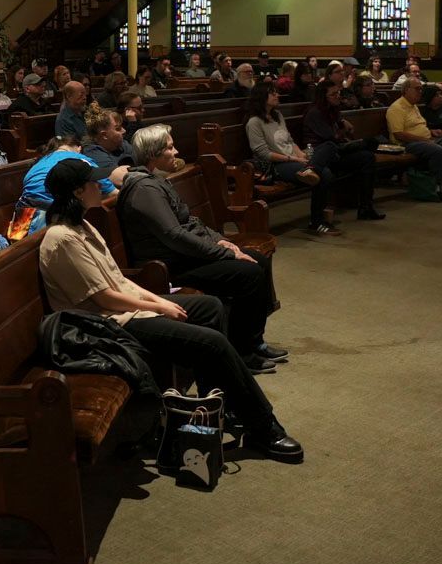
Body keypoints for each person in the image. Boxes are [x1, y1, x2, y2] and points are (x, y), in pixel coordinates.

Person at [35, 159, 302, 462]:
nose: (101, 186)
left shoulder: (82, 225)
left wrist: (158, 300)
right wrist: (158, 305)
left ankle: (214, 406)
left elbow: (119, 280)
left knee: (209, 307)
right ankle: (265, 428)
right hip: (106, 326)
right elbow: (105, 298)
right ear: (78, 191)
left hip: (125, 309)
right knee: (211, 343)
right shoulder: (62, 238)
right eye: (94, 183)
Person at [119, 125, 289, 373]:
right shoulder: (144, 189)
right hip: (169, 268)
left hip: (183, 257)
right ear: (153, 154)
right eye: (169, 147)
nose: (176, 151)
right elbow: (174, 235)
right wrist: (225, 253)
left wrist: (221, 240)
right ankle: (241, 353)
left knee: (257, 260)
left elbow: (190, 223)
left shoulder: (155, 180)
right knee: (248, 273)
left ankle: (254, 342)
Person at [244, 86, 339, 234]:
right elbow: (262, 153)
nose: (277, 95)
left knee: (329, 145)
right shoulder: (254, 122)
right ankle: (316, 222)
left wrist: (301, 154)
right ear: (261, 97)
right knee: (325, 174)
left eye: (277, 92)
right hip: (276, 166)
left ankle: (310, 168)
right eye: (272, 93)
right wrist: (292, 158)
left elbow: (290, 141)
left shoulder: (277, 116)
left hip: (295, 160)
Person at [9, 132, 119, 240]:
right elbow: (112, 193)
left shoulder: (38, 163)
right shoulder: (79, 158)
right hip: (55, 220)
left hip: (23, 222)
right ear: (79, 148)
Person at [303, 80, 385, 221]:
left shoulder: (331, 110)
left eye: (338, 93)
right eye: (333, 94)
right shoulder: (315, 113)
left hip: (336, 151)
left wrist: (342, 122)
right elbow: (331, 139)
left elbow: (338, 132)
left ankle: (366, 208)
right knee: (369, 144)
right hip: (323, 156)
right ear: (324, 96)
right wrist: (345, 133)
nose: (338, 96)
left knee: (367, 157)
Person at [81, 104, 131, 176]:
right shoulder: (93, 154)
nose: (124, 131)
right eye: (118, 129)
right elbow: (122, 177)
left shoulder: (121, 143)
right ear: (104, 135)